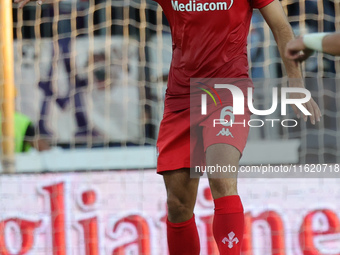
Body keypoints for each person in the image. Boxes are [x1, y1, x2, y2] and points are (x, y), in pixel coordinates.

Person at [14, 0, 321, 254]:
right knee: (178, 204)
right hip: (180, 97)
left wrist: (295, 83)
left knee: (221, 178)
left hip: (228, 90)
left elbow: (282, 27)